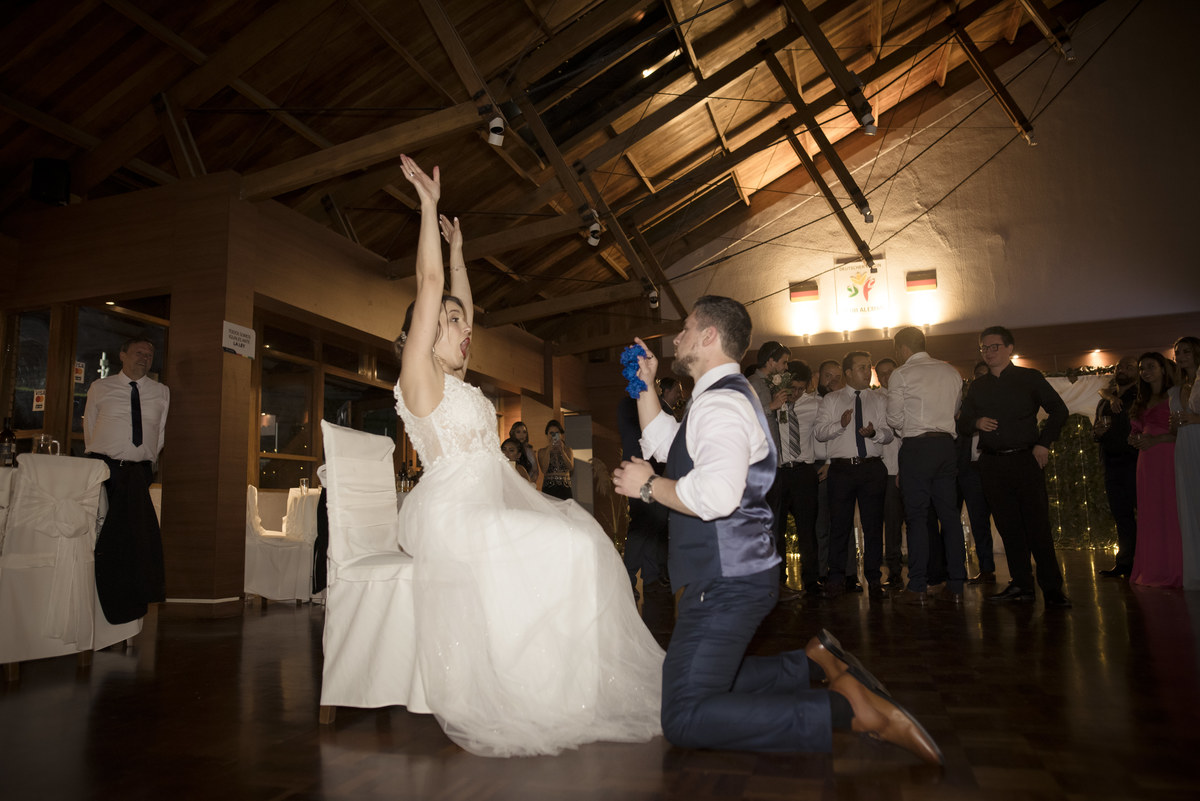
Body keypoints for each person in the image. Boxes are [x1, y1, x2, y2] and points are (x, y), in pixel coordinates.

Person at [390, 155, 663, 757]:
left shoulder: (457, 382)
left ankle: (571, 688)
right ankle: (539, 694)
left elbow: (456, 293)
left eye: (464, 323)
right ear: (421, 331)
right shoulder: (419, 378)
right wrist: (428, 205)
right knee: (565, 543)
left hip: (490, 499)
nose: (464, 329)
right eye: (450, 322)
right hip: (453, 512)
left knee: (583, 540)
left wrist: (460, 247)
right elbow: (432, 289)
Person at [611, 296, 941, 763]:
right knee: (694, 680)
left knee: (683, 717)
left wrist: (648, 488)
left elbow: (716, 496)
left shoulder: (721, 403)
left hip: (724, 579)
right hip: (731, 576)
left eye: (685, 328)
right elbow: (669, 443)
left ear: (708, 337)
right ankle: (810, 663)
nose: (676, 337)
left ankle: (846, 710)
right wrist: (645, 385)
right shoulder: (717, 398)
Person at [958, 326, 1071, 608]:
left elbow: (1060, 410)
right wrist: (975, 423)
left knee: (1037, 526)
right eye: (984, 348)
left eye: (994, 346)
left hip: (1025, 460)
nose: (988, 352)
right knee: (1008, 528)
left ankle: (1053, 589)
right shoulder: (978, 386)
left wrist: (1043, 444)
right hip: (992, 464)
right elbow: (962, 421)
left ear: (1009, 348)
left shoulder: (1029, 377)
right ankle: (1022, 584)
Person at [84, 335, 168, 624]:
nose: (144, 357)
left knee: (137, 537)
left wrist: (145, 462)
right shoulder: (101, 387)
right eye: (139, 352)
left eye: (149, 353)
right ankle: (112, 603)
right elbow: (90, 428)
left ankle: (130, 602)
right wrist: (105, 460)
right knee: (112, 536)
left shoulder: (161, 392)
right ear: (122, 355)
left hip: (138, 472)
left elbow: (160, 433)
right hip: (107, 468)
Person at [886, 327, 967, 606]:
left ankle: (918, 584)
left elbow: (894, 419)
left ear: (902, 349)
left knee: (917, 517)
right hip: (946, 447)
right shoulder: (951, 372)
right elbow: (955, 410)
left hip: (918, 448)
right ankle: (956, 583)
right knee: (951, 517)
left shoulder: (902, 373)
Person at [814, 352, 893, 601]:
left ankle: (874, 579)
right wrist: (840, 424)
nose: (867, 371)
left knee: (872, 526)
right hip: (842, 470)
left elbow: (889, 433)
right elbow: (819, 432)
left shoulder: (879, 399)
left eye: (868, 367)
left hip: (871, 468)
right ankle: (836, 578)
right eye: (861, 367)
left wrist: (873, 434)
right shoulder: (832, 399)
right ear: (848, 373)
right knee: (839, 526)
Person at [617, 376, 679, 597]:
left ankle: (651, 576)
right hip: (638, 473)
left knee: (656, 524)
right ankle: (628, 578)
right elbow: (637, 436)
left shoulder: (662, 409)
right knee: (641, 526)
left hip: (660, 475)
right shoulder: (628, 405)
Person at [1127, 351, 1182, 588]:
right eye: (1142, 368)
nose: (1145, 371)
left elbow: (1183, 432)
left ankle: (1175, 567)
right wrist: (1135, 438)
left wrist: (1155, 441)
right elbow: (1137, 429)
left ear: (1162, 368)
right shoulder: (1142, 399)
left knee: (1170, 509)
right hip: (1146, 461)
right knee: (1150, 511)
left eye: (1150, 366)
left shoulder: (1175, 395)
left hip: (1168, 456)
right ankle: (1154, 567)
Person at [774, 361, 821, 594]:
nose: (796, 393)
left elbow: (829, 432)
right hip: (779, 472)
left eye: (801, 388)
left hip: (804, 473)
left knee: (807, 530)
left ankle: (811, 580)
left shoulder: (815, 405)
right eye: (792, 387)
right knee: (777, 529)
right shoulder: (774, 405)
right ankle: (779, 581)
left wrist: (830, 462)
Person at [1093, 356, 1140, 578]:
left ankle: (1144, 561)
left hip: (1136, 461)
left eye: (1129, 366)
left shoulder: (1140, 396)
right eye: (1120, 366)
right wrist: (1097, 433)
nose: (1123, 369)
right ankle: (1124, 562)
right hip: (1111, 464)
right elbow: (1096, 430)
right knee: (1121, 515)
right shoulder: (1105, 401)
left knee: (1143, 512)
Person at [959, 361, 996, 584]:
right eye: (976, 376)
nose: (979, 379)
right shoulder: (966, 408)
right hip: (970, 470)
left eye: (984, 375)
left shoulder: (999, 405)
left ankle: (1020, 572)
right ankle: (987, 569)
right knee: (978, 521)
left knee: (1004, 519)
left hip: (995, 466)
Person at [873, 357, 905, 588]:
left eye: (889, 372)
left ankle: (923, 572)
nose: (885, 377)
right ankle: (894, 572)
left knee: (917, 523)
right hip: (886, 470)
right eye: (881, 373)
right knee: (891, 526)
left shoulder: (908, 395)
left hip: (911, 468)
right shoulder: (873, 399)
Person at [1172, 336, 1200, 590]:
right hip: (1184, 444)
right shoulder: (1180, 384)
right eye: (1177, 352)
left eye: (1186, 351)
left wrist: (1196, 418)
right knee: (1191, 503)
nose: (1180, 356)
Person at [538, 419, 574, 500]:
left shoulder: (568, 450)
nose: (554, 436)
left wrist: (562, 451)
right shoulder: (542, 451)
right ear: (547, 435)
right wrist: (549, 450)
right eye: (551, 433)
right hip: (549, 488)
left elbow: (571, 468)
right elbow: (544, 469)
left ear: (561, 435)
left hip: (565, 488)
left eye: (557, 433)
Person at [508, 421, 539, 486]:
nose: (521, 435)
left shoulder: (529, 451)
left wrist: (529, 485)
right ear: (513, 433)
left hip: (527, 485)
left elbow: (535, 471)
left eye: (524, 432)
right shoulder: (508, 449)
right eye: (518, 432)